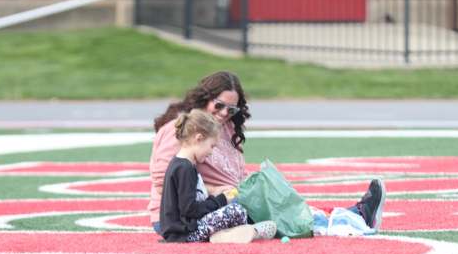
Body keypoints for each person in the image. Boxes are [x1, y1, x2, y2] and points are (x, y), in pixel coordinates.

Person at [148, 71, 385, 235]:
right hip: (182, 219)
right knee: (279, 216)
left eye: (230, 109)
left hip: (225, 203)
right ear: (204, 98)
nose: (223, 113)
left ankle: (351, 215)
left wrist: (252, 189)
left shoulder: (226, 127)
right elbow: (163, 180)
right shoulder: (180, 130)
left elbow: (236, 175)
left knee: (281, 201)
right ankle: (354, 218)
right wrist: (217, 194)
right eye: (218, 105)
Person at [158, 108, 277, 243]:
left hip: (185, 229)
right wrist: (221, 200)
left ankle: (228, 234)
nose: (211, 152)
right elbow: (190, 210)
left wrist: (216, 193)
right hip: (185, 233)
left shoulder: (182, 164)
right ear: (199, 138)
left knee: (235, 208)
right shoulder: (184, 168)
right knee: (235, 210)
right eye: (212, 146)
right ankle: (248, 231)